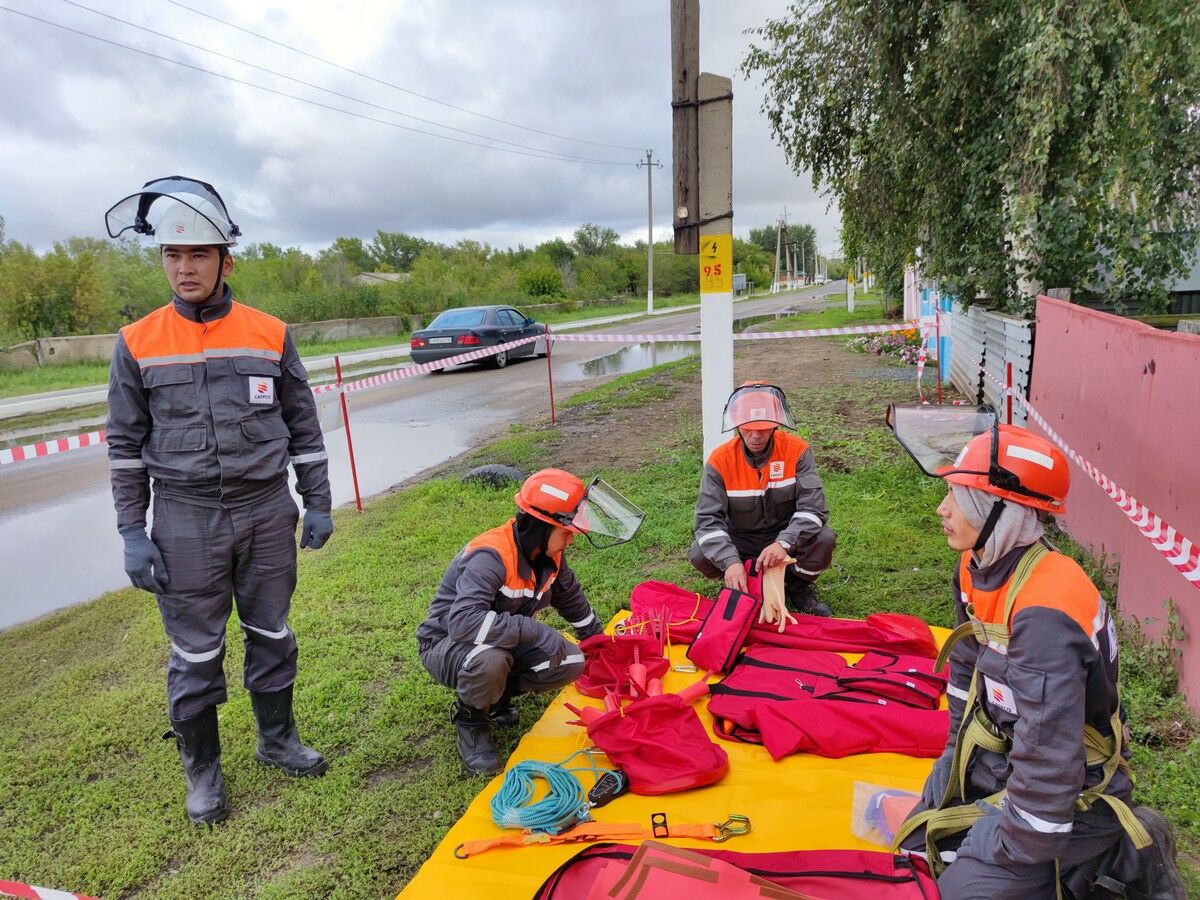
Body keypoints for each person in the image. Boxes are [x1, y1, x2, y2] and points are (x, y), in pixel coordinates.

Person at [104, 177, 334, 826]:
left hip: (265, 511)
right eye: (173, 257)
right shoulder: (137, 342)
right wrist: (132, 531)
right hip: (184, 519)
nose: (185, 268)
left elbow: (303, 426)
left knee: (271, 631)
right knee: (196, 652)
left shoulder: (269, 332)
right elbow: (125, 446)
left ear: (225, 260)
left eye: (198, 255)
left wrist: (315, 500)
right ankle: (202, 773)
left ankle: (277, 740)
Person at [889, 415, 1185, 899]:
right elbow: (966, 666)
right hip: (1008, 753)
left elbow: (1050, 762)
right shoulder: (977, 565)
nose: (943, 510)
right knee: (919, 851)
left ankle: (1122, 851)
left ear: (1001, 510)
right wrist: (952, 760)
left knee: (961, 890)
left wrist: (998, 840)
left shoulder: (1047, 611)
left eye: (959, 499)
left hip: (1072, 789)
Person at [417, 468, 644, 775]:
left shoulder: (548, 554)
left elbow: (570, 598)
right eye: (567, 532)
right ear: (540, 526)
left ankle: (496, 699)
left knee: (573, 660)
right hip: (447, 644)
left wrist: (598, 642)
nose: (572, 540)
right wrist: (532, 630)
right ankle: (470, 721)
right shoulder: (491, 555)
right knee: (490, 659)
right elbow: (463, 623)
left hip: (498, 642)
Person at [688, 381, 838, 616]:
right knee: (699, 553)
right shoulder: (720, 461)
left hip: (784, 535)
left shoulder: (796, 450)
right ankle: (739, 578)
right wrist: (730, 561)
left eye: (764, 428)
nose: (756, 435)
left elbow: (814, 509)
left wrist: (784, 542)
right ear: (737, 425)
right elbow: (707, 522)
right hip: (741, 538)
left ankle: (797, 586)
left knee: (824, 538)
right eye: (748, 427)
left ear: (776, 426)